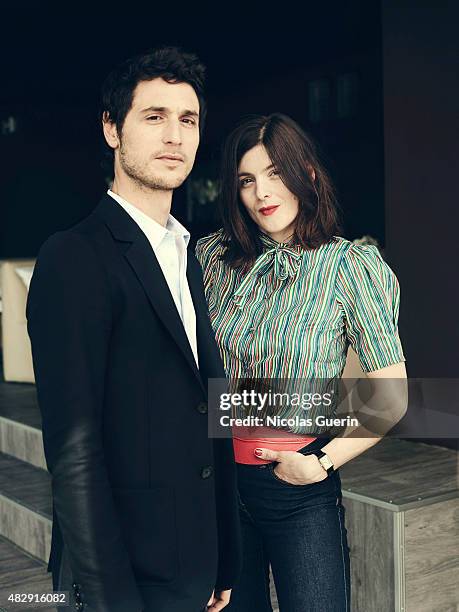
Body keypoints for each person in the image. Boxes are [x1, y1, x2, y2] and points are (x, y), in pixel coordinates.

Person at [26, 47, 241, 612]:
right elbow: (74, 452)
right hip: (122, 577)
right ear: (111, 129)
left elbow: (209, 404)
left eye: (187, 119)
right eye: (154, 116)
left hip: (191, 564)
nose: (174, 135)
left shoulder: (185, 252)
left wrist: (224, 557)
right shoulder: (74, 257)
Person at [195, 113, 407, 612]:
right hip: (219, 486)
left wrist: (321, 463)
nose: (261, 193)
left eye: (275, 173)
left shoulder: (348, 266)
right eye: (247, 180)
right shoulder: (211, 261)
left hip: (297, 485)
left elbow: (390, 396)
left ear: (307, 174)